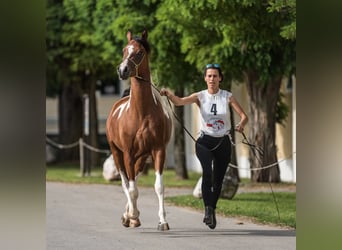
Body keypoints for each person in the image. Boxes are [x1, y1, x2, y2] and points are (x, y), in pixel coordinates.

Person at [160, 63, 248, 229]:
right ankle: (207, 210)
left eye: (215, 76)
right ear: (205, 78)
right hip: (205, 141)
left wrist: (242, 124)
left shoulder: (227, 96)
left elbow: (244, 116)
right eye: (209, 76)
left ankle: (212, 209)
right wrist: (169, 95)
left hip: (223, 142)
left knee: (218, 180)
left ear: (220, 78)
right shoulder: (200, 96)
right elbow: (179, 102)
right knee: (207, 173)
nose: (212, 79)